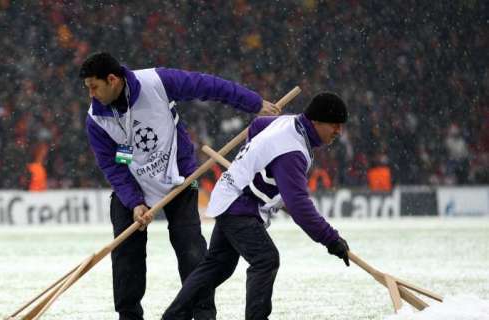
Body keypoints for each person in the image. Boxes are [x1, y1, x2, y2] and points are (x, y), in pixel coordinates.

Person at [79, 52, 280, 320]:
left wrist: (253, 103)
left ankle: (203, 314)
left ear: (112, 79)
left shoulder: (156, 82)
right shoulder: (97, 119)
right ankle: (129, 316)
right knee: (126, 258)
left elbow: (208, 85)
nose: (91, 95)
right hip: (133, 187)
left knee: (193, 253)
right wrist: (135, 202)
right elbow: (113, 166)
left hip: (179, 179)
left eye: (94, 87)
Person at [162, 92, 351, 320]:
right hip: (239, 205)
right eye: (335, 125)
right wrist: (331, 239)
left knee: (217, 267)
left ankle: (172, 317)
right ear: (317, 121)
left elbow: (258, 125)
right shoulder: (292, 151)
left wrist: (251, 160)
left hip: (230, 195)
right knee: (265, 259)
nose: (338, 131)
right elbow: (299, 206)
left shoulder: (287, 122)